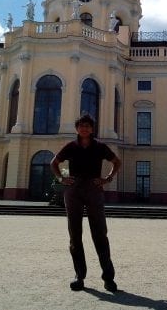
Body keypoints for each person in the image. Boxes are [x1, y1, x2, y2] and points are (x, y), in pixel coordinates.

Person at [50, 114, 122, 292]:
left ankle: (108, 278)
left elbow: (116, 162)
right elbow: (54, 162)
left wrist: (107, 179)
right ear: (77, 129)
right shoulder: (71, 146)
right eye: (81, 126)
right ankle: (79, 276)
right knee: (75, 235)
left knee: (100, 234)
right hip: (74, 190)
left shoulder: (100, 147)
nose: (84, 128)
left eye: (87, 126)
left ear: (92, 129)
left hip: (93, 189)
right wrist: (61, 178)